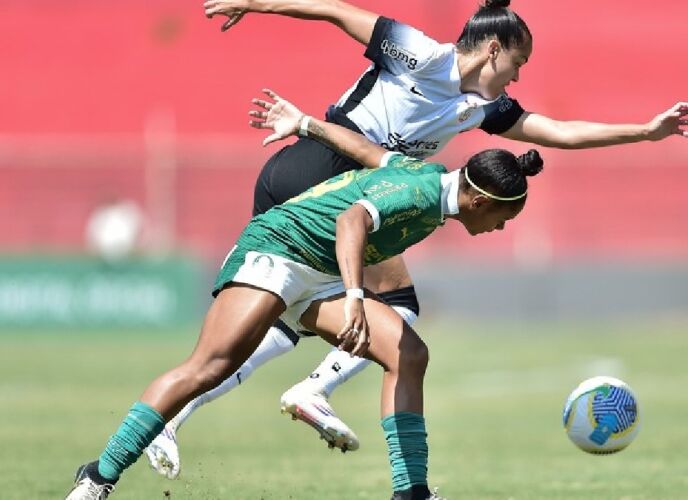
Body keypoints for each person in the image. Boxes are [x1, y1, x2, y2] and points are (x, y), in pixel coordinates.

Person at [145, 0, 688, 479]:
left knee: (283, 323)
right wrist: (257, 3)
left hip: (348, 184)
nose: (518, 77)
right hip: (325, 174)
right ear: (492, 49)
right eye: (518, 62)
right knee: (394, 310)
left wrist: (645, 130)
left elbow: (557, 132)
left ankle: (175, 417)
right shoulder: (419, 52)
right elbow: (338, 11)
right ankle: (311, 393)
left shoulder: (484, 108)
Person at [65, 89, 543, 500]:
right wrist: (355, 296)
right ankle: (97, 478)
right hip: (279, 249)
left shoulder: (422, 178)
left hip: (318, 270)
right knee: (209, 367)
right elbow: (349, 220)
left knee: (409, 354)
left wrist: (307, 123)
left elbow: (362, 148)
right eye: (504, 218)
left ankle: (411, 491)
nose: (500, 228)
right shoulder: (420, 195)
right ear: (480, 200)